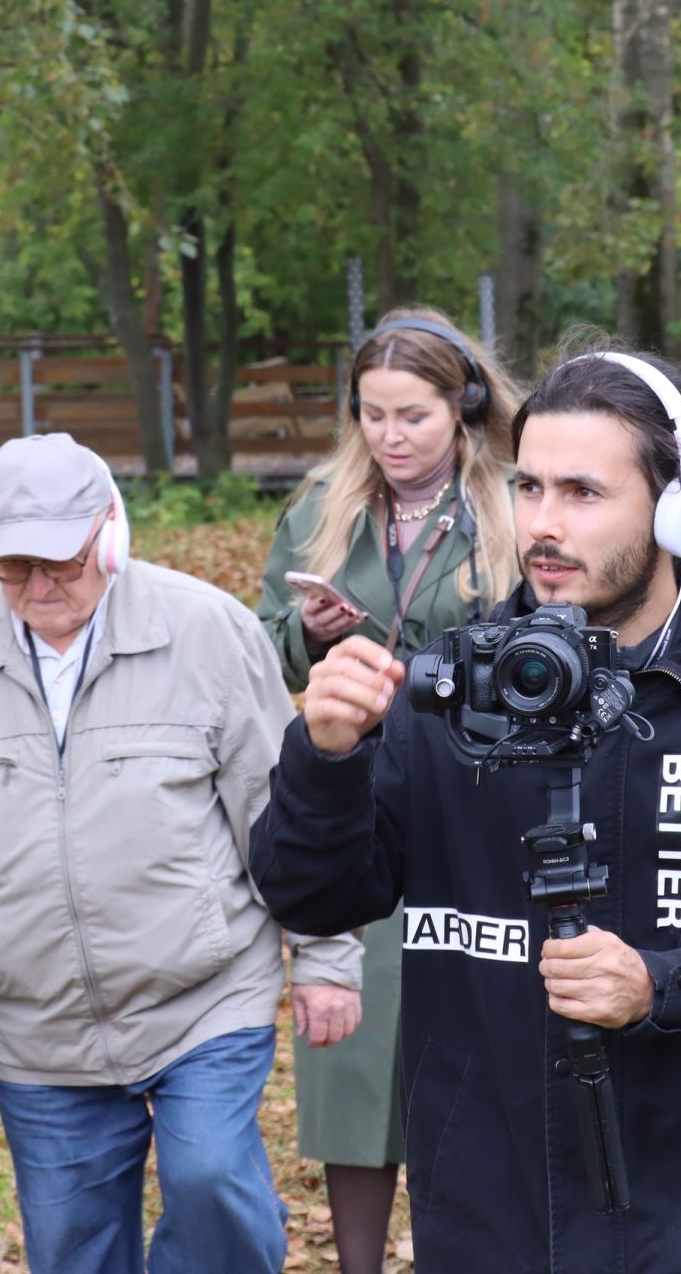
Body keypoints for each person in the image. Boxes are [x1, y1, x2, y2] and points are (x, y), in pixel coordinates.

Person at [250, 347, 681, 1272]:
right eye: (529, 487)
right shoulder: (457, 692)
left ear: (677, 508)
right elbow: (310, 897)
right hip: (496, 1209)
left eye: (584, 493)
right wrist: (325, 757)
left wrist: (662, 984)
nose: (543, 525)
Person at [0, 432, 360, 1274]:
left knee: (210, 1180)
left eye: (62, 563)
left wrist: (328, 957)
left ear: (109, 539)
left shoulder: (208, 633)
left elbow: (286, 811)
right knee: (73, 1250)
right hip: (39, 1021)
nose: (41, 587)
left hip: (205, 993)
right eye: (14, 568)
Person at [255, 308, 521, 1274]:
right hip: (355, 793)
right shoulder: (326, 501)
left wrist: (437, 672)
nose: (389, 437)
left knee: (481, 1036)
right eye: (371, 415)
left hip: (477, 789)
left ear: (466, 408)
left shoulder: (510, 502)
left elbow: (549, 643)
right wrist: (317, 631)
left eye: (412, 415)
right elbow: (266, 643)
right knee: (355, 1062)